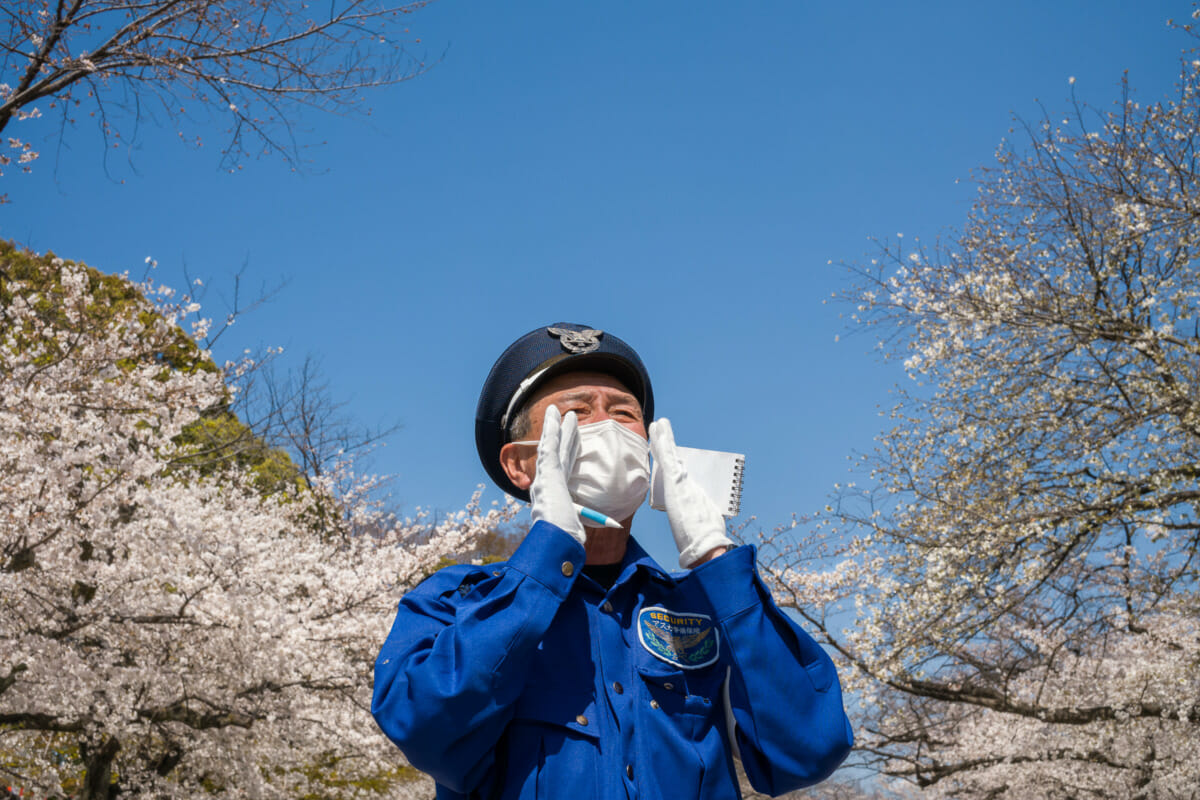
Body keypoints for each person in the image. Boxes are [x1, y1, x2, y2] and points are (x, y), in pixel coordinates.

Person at [372, 323, 853, 799]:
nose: (607, 425)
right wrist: (546, 556)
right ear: (521, 464)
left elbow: (806, 752)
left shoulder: (709, 606)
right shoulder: (456, 601)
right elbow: (423, 727)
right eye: (576, 412)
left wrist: (715, 557)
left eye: (625, 413)